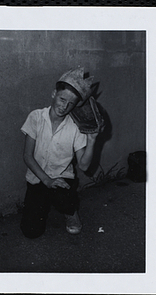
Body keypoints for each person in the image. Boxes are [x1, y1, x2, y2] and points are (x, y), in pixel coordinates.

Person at [20, 67, 100, 239]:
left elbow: (85, 166)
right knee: (31, 232)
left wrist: (92, 140)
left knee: (64, 197)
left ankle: (70, 212)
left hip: (63, 180)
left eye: (71, 103)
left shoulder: (76, 127)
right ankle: (45, 202)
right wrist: (47, 180)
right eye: (62, 99)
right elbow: (27, 156)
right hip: (38, 178)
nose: (64, 106)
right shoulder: (36, 117)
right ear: (53, 94)